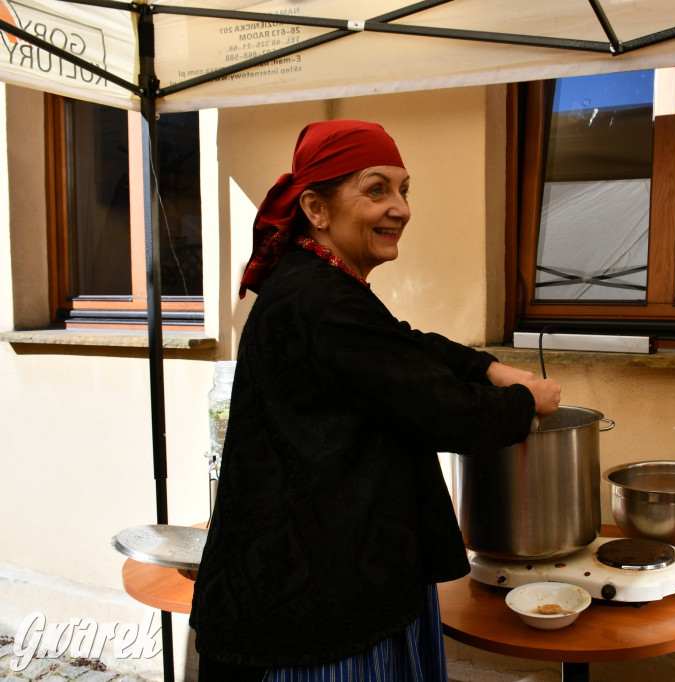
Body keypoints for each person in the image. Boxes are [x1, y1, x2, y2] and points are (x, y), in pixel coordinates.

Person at [189, 119, 561, 682]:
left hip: (325, 580)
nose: (401, 208)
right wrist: (527, 405)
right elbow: (444, 412)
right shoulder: (319, 300)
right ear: (316, 209)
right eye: (377, 189)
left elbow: (402, 346)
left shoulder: (321, 282)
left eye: (404, 189)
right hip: (315, 607)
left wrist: (489, 366)